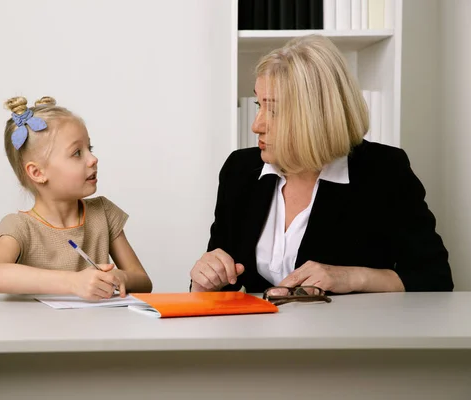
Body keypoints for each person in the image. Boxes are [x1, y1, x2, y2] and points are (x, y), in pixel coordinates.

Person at [190, 35, 453, 294]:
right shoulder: (240, 169)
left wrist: (352, 277)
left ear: (316, 116)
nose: (256, 125)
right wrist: (205, 283)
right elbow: (222, 283)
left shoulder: (384, 170)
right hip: (257, 336)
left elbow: (435, 278)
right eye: (259, 104)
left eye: (273, 110)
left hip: (348, 335)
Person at [0, 96, 152, 300]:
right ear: (37, 173)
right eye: (77, 153)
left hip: (98, 329)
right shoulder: (19, 226)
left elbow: (143, 281)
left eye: (91, 148)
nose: (93, 159)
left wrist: (120, 277)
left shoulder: (103, 213)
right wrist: (73, 282)